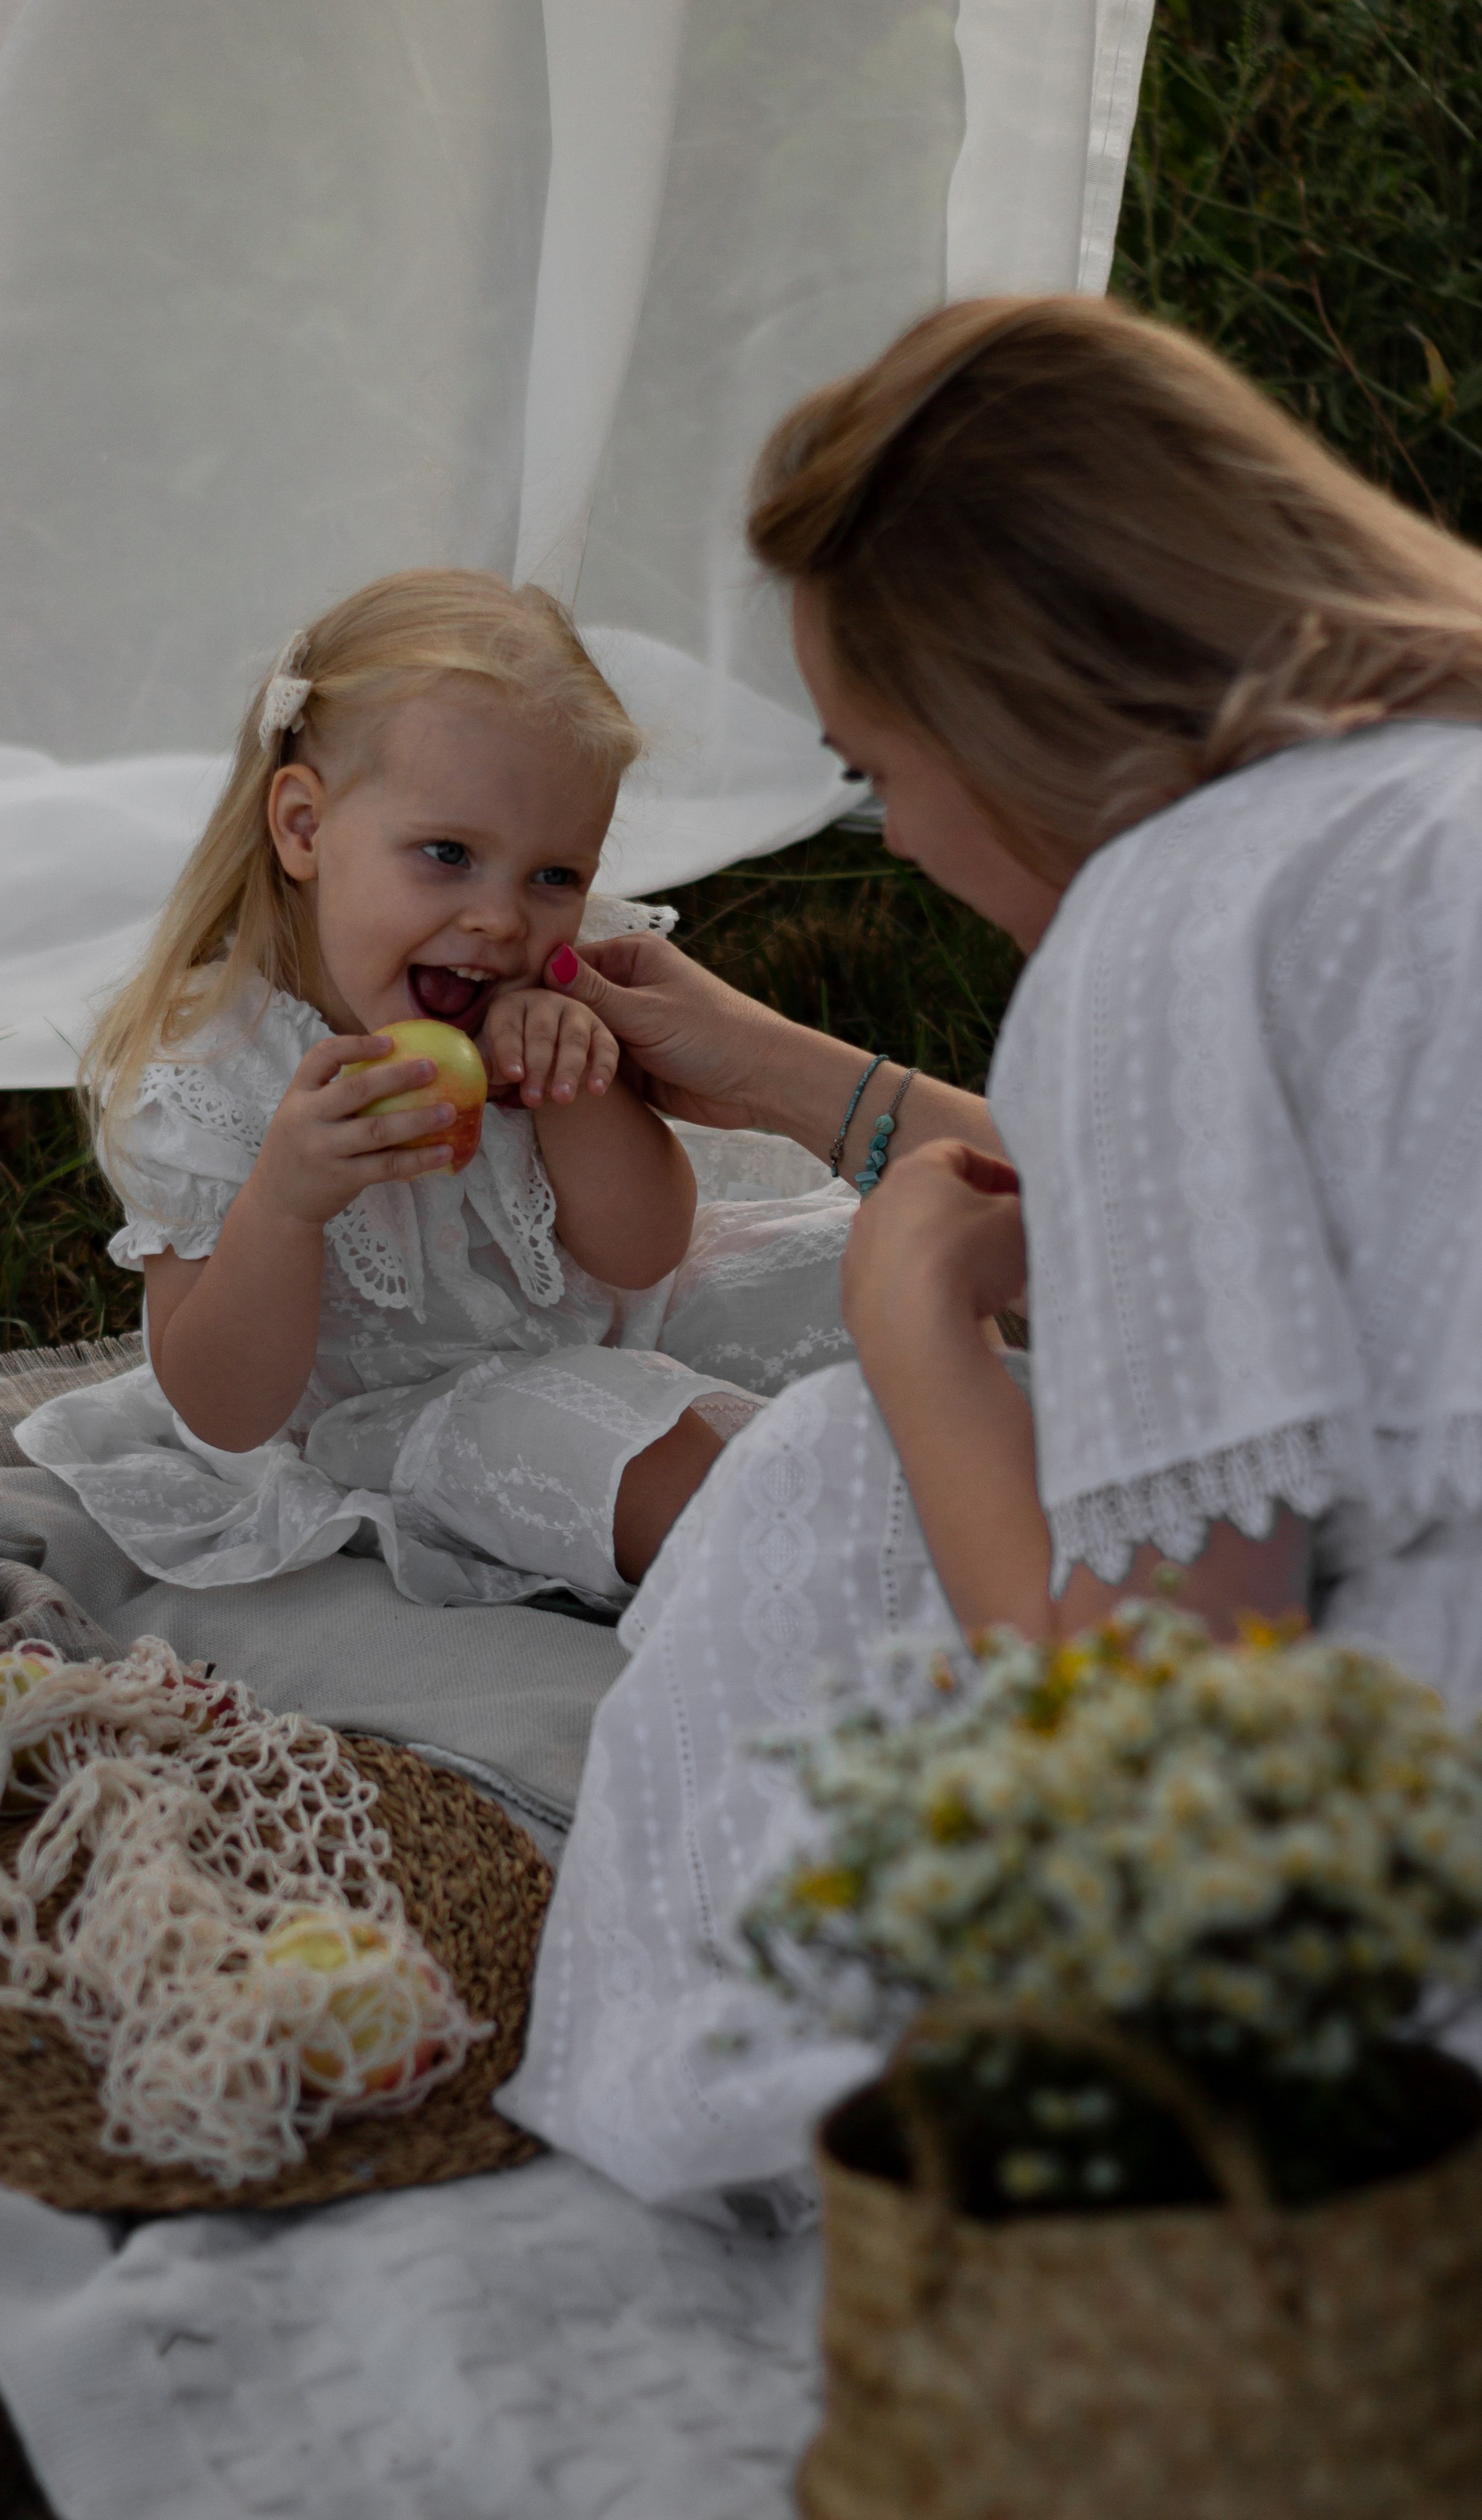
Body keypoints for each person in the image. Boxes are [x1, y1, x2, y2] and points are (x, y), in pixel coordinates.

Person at [500, 292, 1482, 2206]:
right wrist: (808, 1082)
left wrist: (914, 1345)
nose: (893, 841)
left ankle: (767, 2110)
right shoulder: (1416, 810)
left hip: (1396, 1948)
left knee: (829, 1467)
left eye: (875, 772)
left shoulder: (1173, 915)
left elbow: (1174, 1769)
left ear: (1005, 712)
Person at [14, 567, 858, 1614]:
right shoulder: (217, 1068)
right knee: (653, 1465)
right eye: (448, 854)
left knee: (869, 1276)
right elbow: (223, 1408)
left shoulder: (547, 990)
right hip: (409, 1415)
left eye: (554, 876)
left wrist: (574, 1089)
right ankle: (840, 1585)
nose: (502, 920)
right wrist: (285, 1203)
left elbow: (645, 1251)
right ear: (305, 828)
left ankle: (961, 1475)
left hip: (605, 1329)